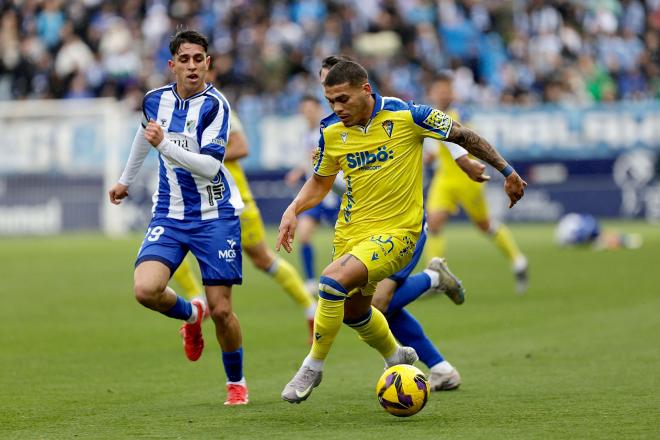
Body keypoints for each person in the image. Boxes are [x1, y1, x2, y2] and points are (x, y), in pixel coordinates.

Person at [276, 59, 526, 403]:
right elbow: (320, 182)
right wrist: (293, 208)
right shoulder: (332, 131)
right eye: (330, 100)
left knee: (331, 282)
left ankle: (312, 367)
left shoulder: (409, 115)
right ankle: (397, 356)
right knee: (356, 312)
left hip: (399, 231)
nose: (336, 108)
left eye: (343, 99)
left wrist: (507, 171)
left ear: (365, 90)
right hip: (352, 232)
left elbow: (463, 135)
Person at [107, 30, 248, 406]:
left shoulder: (216, 105)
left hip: (214, 215)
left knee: (222, 310)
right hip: (169, 212)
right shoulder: (155, 100)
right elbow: (145, 136)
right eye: (183, 59)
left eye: (197, 59)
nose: (191, 66)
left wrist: (164, 144)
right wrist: (125, 180)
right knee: (145, 290)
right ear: (172, 65)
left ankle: (236, 382)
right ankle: (190, 314)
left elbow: (209, 166)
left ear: (207, 63)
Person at [424, 73, 529, 294]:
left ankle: (518, 260)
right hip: (444, 179)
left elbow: (468, 141)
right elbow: (433, 151)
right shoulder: (430, 116)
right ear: (433, 92)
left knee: (484, 225)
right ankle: (435, 277)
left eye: (446, 89)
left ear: (452, 92)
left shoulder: (461, 113)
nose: (443, 93)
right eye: (439, 89)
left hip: (467, 179)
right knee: (433, 224)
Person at [285, 95, 342, 294]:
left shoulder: (329, 130)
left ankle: (348, 278)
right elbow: (308, 161)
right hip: (315, 195)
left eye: (310, 109)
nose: (307, 114)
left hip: (334, 194)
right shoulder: (306, 135)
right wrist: (297, 172)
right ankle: (310, 281)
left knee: (346, 240)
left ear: (318, 109)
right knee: (304, 234)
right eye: (304, 110)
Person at [555, 213, 642, 249]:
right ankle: (623, 239)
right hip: (577, 233)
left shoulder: (585, 225)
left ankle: (623, 239)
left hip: (577, 231)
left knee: (601, 237)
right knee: (600, 237)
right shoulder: (583, 230)